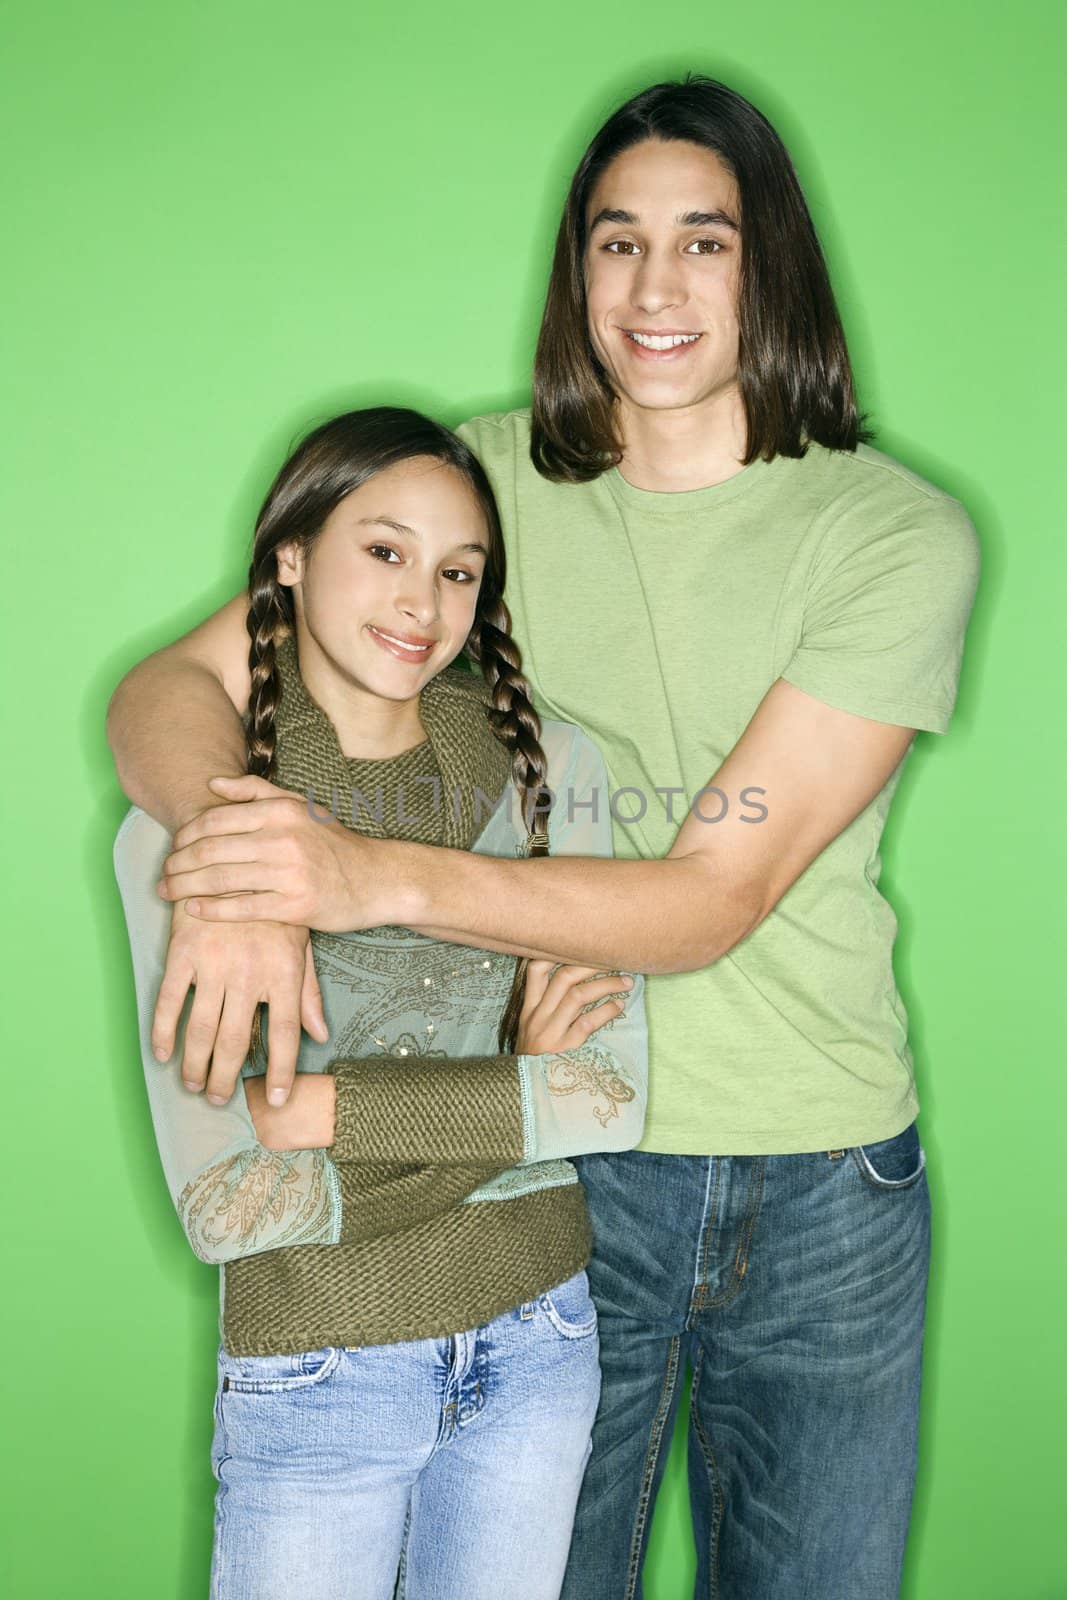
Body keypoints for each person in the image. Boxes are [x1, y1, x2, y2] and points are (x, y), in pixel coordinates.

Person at [108, 76, 980, 1600]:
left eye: (702, 243)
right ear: (573, 268)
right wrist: (234, 861)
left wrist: (353, 874)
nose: (653, 288)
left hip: (824, 1173)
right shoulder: (474, 490)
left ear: (765, 263)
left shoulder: (891, 533)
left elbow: (712, 894)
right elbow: (179, 680)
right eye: (614, 241)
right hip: (563, 1181)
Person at [112, 405, 648, 1600]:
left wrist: (319, 1109)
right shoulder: (191, 817)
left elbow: (607, 1098)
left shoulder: (563, 777)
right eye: (386, 551)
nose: (423, 602)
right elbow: (234, 1198)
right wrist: (518, 1090)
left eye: (458, 570)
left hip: (543, 1343)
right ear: (291, 556)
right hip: (316, 1364)